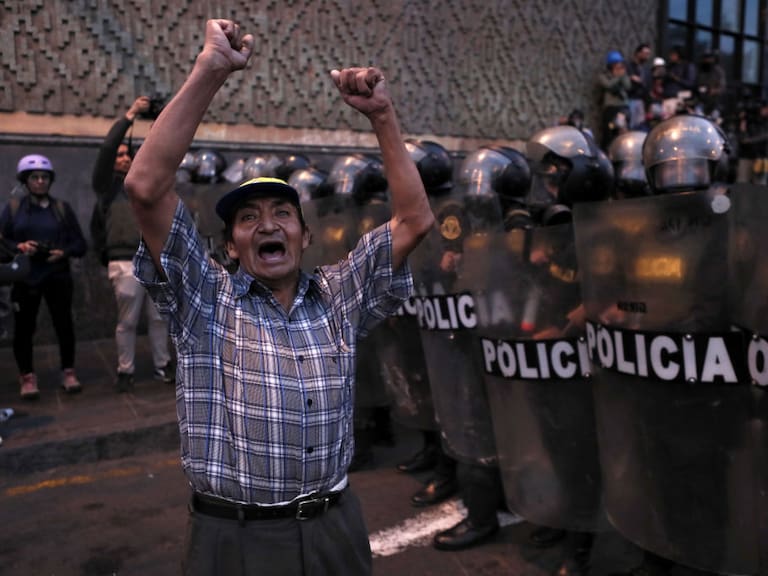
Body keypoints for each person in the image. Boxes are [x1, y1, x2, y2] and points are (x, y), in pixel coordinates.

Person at [124, 19, 433, 575]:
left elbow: (414, 221)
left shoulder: (339, 296)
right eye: (249, 219)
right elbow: (145, 187)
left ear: (304, 235)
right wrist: (210, 70)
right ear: (233, 246)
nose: (267, 225)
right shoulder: (206, 300)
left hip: (335, 529)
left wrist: (382, 116)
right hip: (235, 540)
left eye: (281, 214)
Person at [92, 97, 175, 393]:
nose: (125, 159)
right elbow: (105, 151)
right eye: (121, 155)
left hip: (155, 261)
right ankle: (125, 369)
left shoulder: (145, 184)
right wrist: (130, 115)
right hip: (125, 261)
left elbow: (161, 150)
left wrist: (160, 119)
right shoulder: (107, 187)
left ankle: (162, 364)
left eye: (129, 154)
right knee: (126, 321)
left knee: (159, 319)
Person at [1, 154, 87, 399]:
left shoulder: (62, 209)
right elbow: (2, 240)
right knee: (24, 329)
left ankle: (68, 371)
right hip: (26, 278)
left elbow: (80, 243)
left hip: (57, 276)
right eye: (35, 177)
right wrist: (19, 247)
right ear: (26, 181)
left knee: (64, 326)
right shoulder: (15, 209)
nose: (40, 181)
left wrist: (64, 252)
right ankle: (27, 377)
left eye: (44, 177)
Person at [598, 50, 631, 150]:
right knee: (609, 132)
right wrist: (617, 76)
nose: (618, 66)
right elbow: (608, 85)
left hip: (622, 107)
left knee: (622, 129)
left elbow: (628, 86)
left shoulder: (622, 74)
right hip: (610, 108)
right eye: (616, 64)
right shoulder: (603, 75)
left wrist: (623, 75)